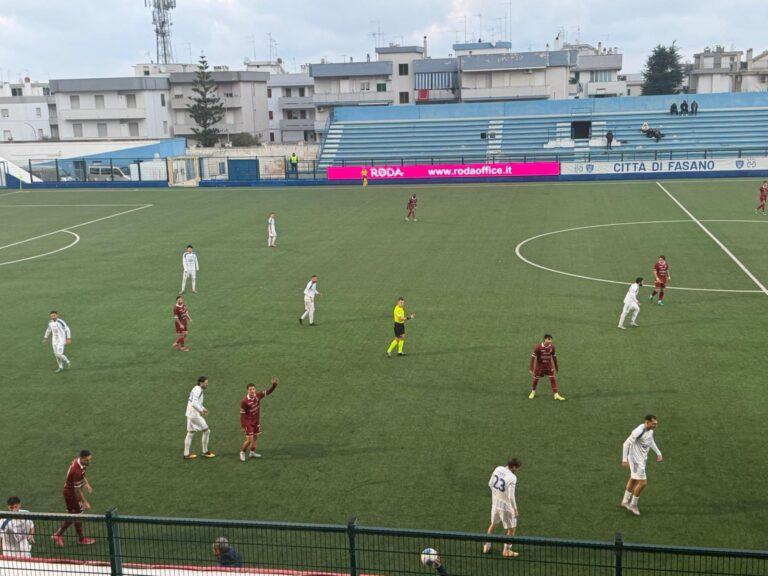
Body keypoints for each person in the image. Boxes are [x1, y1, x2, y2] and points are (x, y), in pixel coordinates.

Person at [51, 450, 96, 547]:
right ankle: (80, 539)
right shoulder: (76, 471)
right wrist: (84, 502)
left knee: (73, 515)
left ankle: (58, 535)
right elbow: (78, 491)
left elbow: (82, 474)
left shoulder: (78, 461)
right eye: (87, 460)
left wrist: (87, 484)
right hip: (71, 494)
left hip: (70, 491)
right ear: (82, 458)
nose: (89, 462)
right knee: (77, 515)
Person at [621, 415, 663, 516]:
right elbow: (626, 444)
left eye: (656, 424)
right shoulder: (638, 431)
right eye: (653, 424)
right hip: (636, 460)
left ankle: (625, 501)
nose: (655, 425)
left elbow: (650, 441)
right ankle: (633, 505)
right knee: (643, 483)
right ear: (647, 422)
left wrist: (658, 452)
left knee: (634, 479)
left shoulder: (650, 430)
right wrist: (624, 459)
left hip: (642, 459)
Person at [483, 458, 521, 558]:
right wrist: (515, 509)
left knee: (493, 523)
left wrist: (496, 494)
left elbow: (490, 484)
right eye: (516, 468)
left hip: (495, 503)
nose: (517, 470)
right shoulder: (512, 477)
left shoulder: (498, 468)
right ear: (513, 467)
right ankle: (506, 551)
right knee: (512, 529)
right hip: (506, 507)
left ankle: (487, 546)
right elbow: (511, 496)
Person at [239, 378, 279, 461]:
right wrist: (243, 425)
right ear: (247, 391)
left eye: (253, 389)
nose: (252, 391)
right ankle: (242, 452)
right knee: (249, 440)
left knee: (255, 438)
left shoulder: (258, 395)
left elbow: (268, 392)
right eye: (250, 389)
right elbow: (242, 415)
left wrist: (274, 385)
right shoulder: (244, 401)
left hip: (256, 421)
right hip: (248, 423)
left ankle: (252, 452)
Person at [184, 376, 215, 460]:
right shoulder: (198, 390)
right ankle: (205, 452)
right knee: (207, 430)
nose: (207, 384)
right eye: (206, 383)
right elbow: (194, 403)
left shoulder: (195, 388)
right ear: (201, 383)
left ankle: (186, 454)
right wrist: (201, 410)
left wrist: (203, 408)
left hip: (189, 413)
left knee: (190, 432)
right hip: (194, 415)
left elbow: (195, 401)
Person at [528, 334, 565, 400]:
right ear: (545, 339)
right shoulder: (538, 347)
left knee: (552, 379)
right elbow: (533, 357)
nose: (551, 341)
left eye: (551, 339)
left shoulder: (552, 347)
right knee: (535, 380)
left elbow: (554, 357)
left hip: (549, 366)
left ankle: (556, 394)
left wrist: (556, 367)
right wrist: (531, 368)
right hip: (540, 367)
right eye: (549, 339)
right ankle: (533, 392)